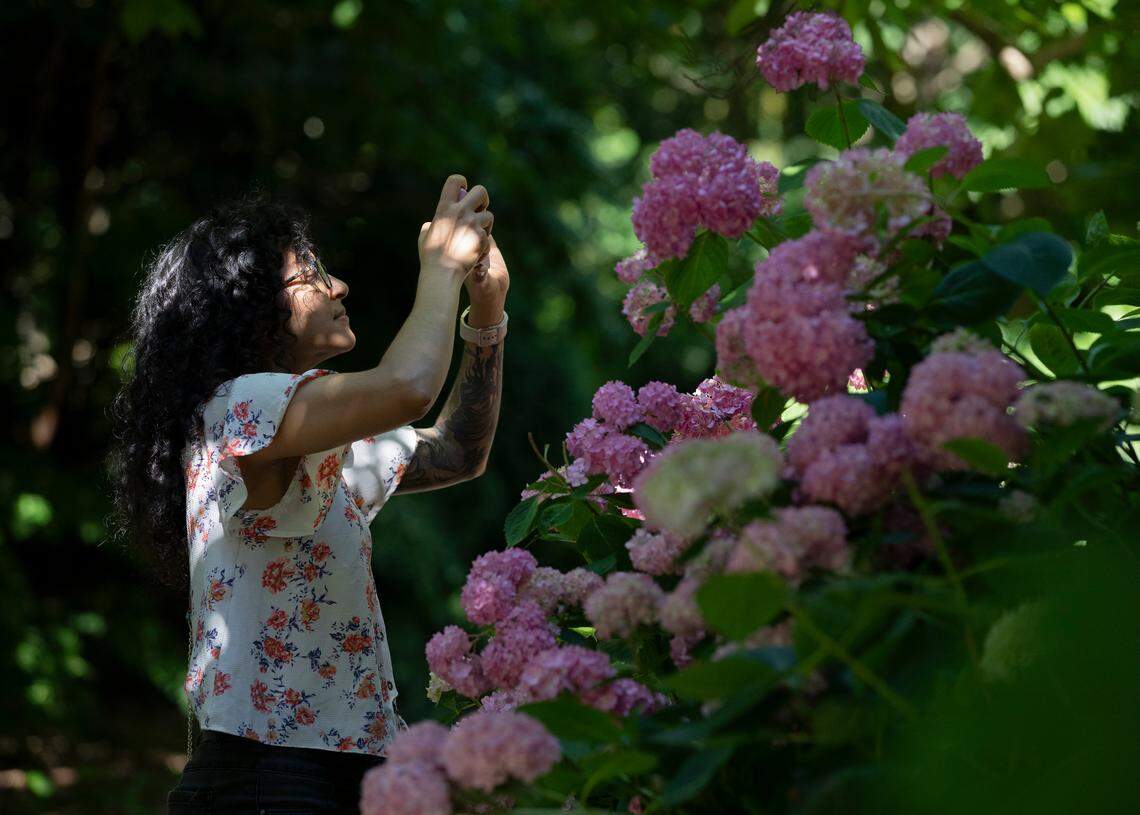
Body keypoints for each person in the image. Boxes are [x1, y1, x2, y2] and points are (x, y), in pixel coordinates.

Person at [106, 174, 509, 813]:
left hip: (332, 771)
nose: (338, 286)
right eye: (310, 274)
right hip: (270, 778)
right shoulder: (236, 408)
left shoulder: (314, 445)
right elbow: (408, 386)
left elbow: (460, 450)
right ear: (247, 305)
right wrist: (440, 271)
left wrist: (487, 312)